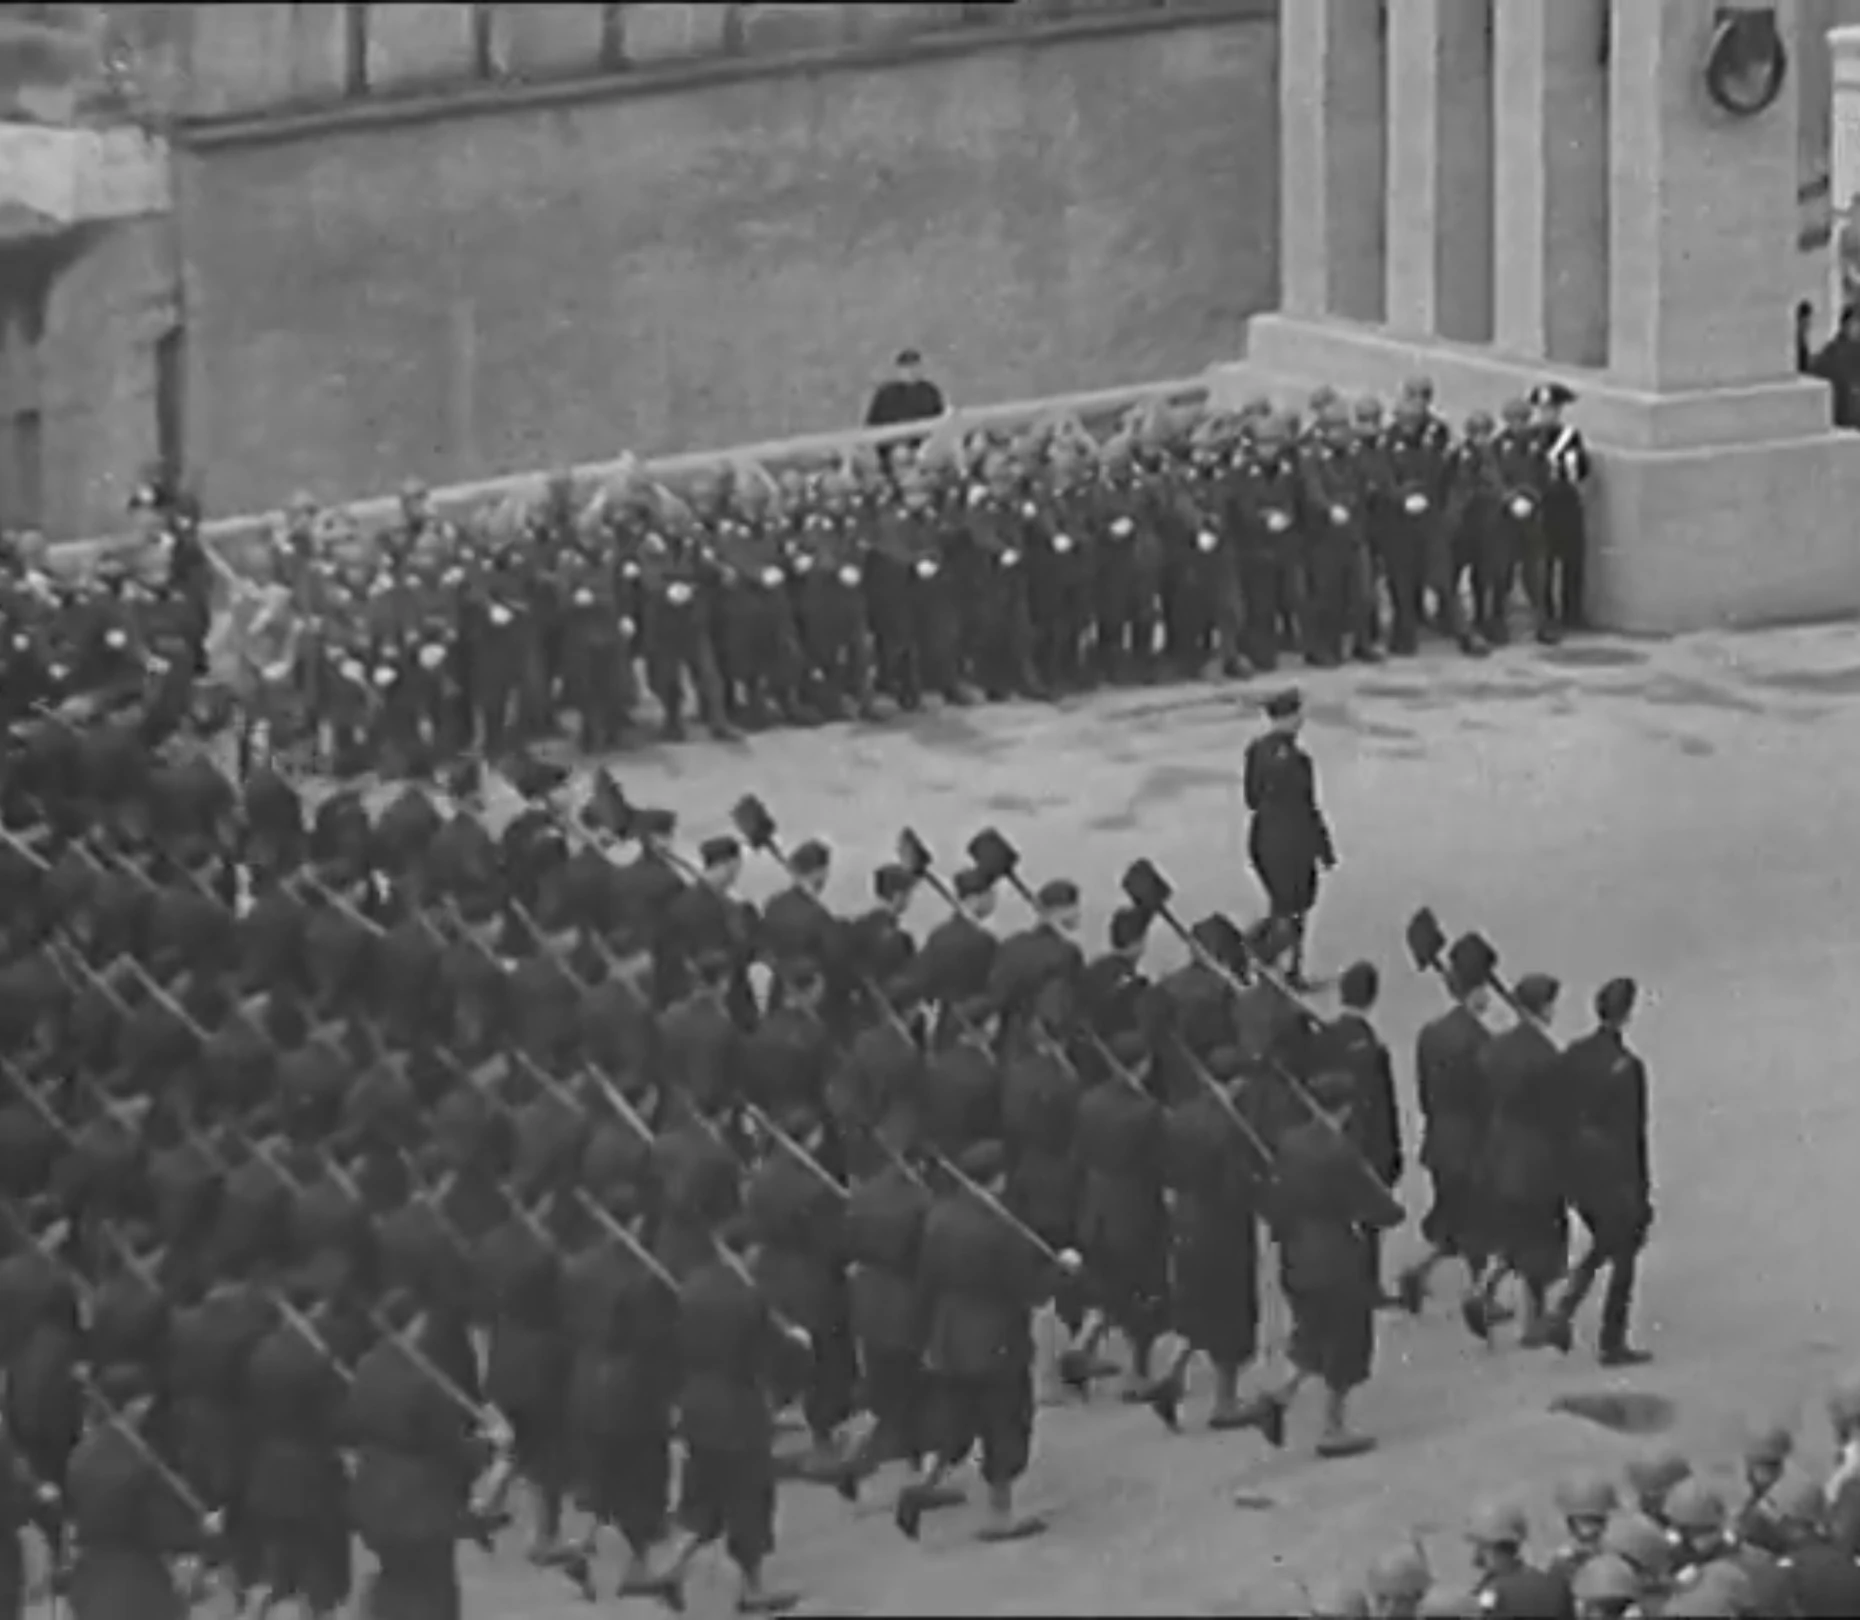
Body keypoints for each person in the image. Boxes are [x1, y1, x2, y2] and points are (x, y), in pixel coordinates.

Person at [1547, 976, 1652, 1366]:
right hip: (1614, 1173)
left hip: (1576, 1168)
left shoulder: (1573, 1054)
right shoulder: (1628, 1068)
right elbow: (1632, 1134)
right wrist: (1642, 1189)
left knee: (1607, 1242)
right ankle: (1610, 1338)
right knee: (1624, 1253)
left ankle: (1565, 1307)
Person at [1242, 687, 1336, 988]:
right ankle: (1271, 963)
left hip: (1262, 838)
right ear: (1289, 717)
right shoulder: (1299, 760)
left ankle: (1272, 966)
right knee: (1294, 912)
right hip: (1293, 843)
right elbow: (1306, 807)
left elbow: (1251, 798)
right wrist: (1324, 848)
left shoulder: (1256, 751)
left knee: (1280, 906)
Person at [1531, 383, 1591, 632]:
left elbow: (1581, 469)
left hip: (1565, 500)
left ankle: (1572, 611)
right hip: (1540, 502)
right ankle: (1546, 613)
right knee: (1543, 560)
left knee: (1572, 558)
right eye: (1543, 409)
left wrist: (1568, 466)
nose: (1547, 414)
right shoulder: (1530, 437)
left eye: (1552, 409)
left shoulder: (1570, 436)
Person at [864, 349, 947, 445]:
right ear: (899, 369)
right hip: (892, 446)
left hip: (924, 446)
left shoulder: (930, 392)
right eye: (906, 367)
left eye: (914, 366)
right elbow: (872, 427)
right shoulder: (885, 394)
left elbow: (941, 422)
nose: (911, 371)